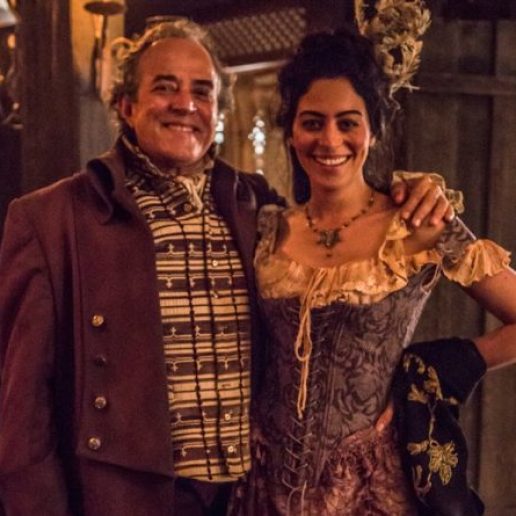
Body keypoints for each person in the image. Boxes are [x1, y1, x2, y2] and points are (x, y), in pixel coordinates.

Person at [0, 19, 454, 516]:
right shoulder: (52, 220)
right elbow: (20, 411)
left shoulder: (254, 206)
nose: (185, 104)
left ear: (218, 111)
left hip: (246, 497)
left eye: (202, 91)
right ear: (126, 106)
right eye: (165, 87)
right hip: (125, 499)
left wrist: (412, 190)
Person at [227, 27, 516, 516]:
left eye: (348, 123)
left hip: (372, 491)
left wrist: (432, 369)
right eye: (312, 122)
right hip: (265, 484)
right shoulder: (268, 227)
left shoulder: (418, 222)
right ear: (291, 132)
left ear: (374, 129)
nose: (330, 140)